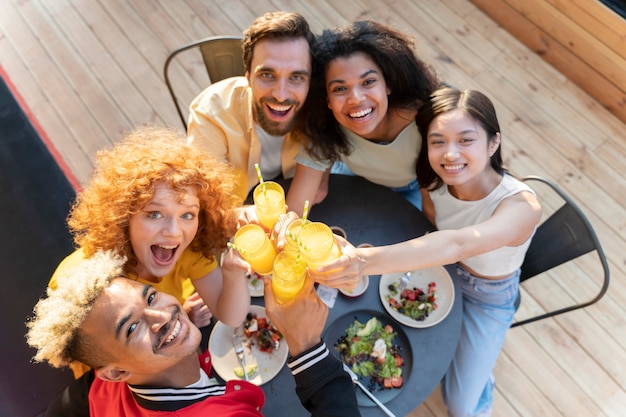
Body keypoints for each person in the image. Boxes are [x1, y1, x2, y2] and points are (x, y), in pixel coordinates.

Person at [314, 87, 542, 416]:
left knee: (461, 407)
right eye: (438, 141)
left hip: (486, 296)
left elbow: (458, 242)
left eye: (466, 140)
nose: (449, 155)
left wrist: (364, 261)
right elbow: (433, 228)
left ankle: (480, 373)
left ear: (494, 142)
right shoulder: (433, 178)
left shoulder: (522, 206)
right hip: (436, 271)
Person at [27, 250, 360, 417]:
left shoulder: (94, 391)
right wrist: (308, 349)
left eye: (150, 296)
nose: (164, 316)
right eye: (132, 327)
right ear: (115, 372)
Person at [48, 126, 250, 377]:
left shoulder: (188, 249)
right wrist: (176, 320)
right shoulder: (81, 281)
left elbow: (231, 316)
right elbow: (103, 368)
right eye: (155, 214)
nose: (175, 232)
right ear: (124, 216)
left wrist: (232, 271)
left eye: (187, 214)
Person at [286, 20, 441, 215]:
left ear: (388, 84)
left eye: (368, 82)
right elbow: (293, 213)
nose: (356, 99)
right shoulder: (323, 126)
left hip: (415, 189)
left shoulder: (425, 121)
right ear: (326, 99)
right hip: (352, 179)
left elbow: (430, 201)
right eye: (340, 88)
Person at [187, 11, 321, 202]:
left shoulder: (320, 107)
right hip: (239, 204)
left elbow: (313, 186)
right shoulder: (210, 114)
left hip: (294, 186)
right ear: (248, 75)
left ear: (310, 81)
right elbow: (208, 202)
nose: (280, 95)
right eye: (267, 75)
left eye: (296, 77)